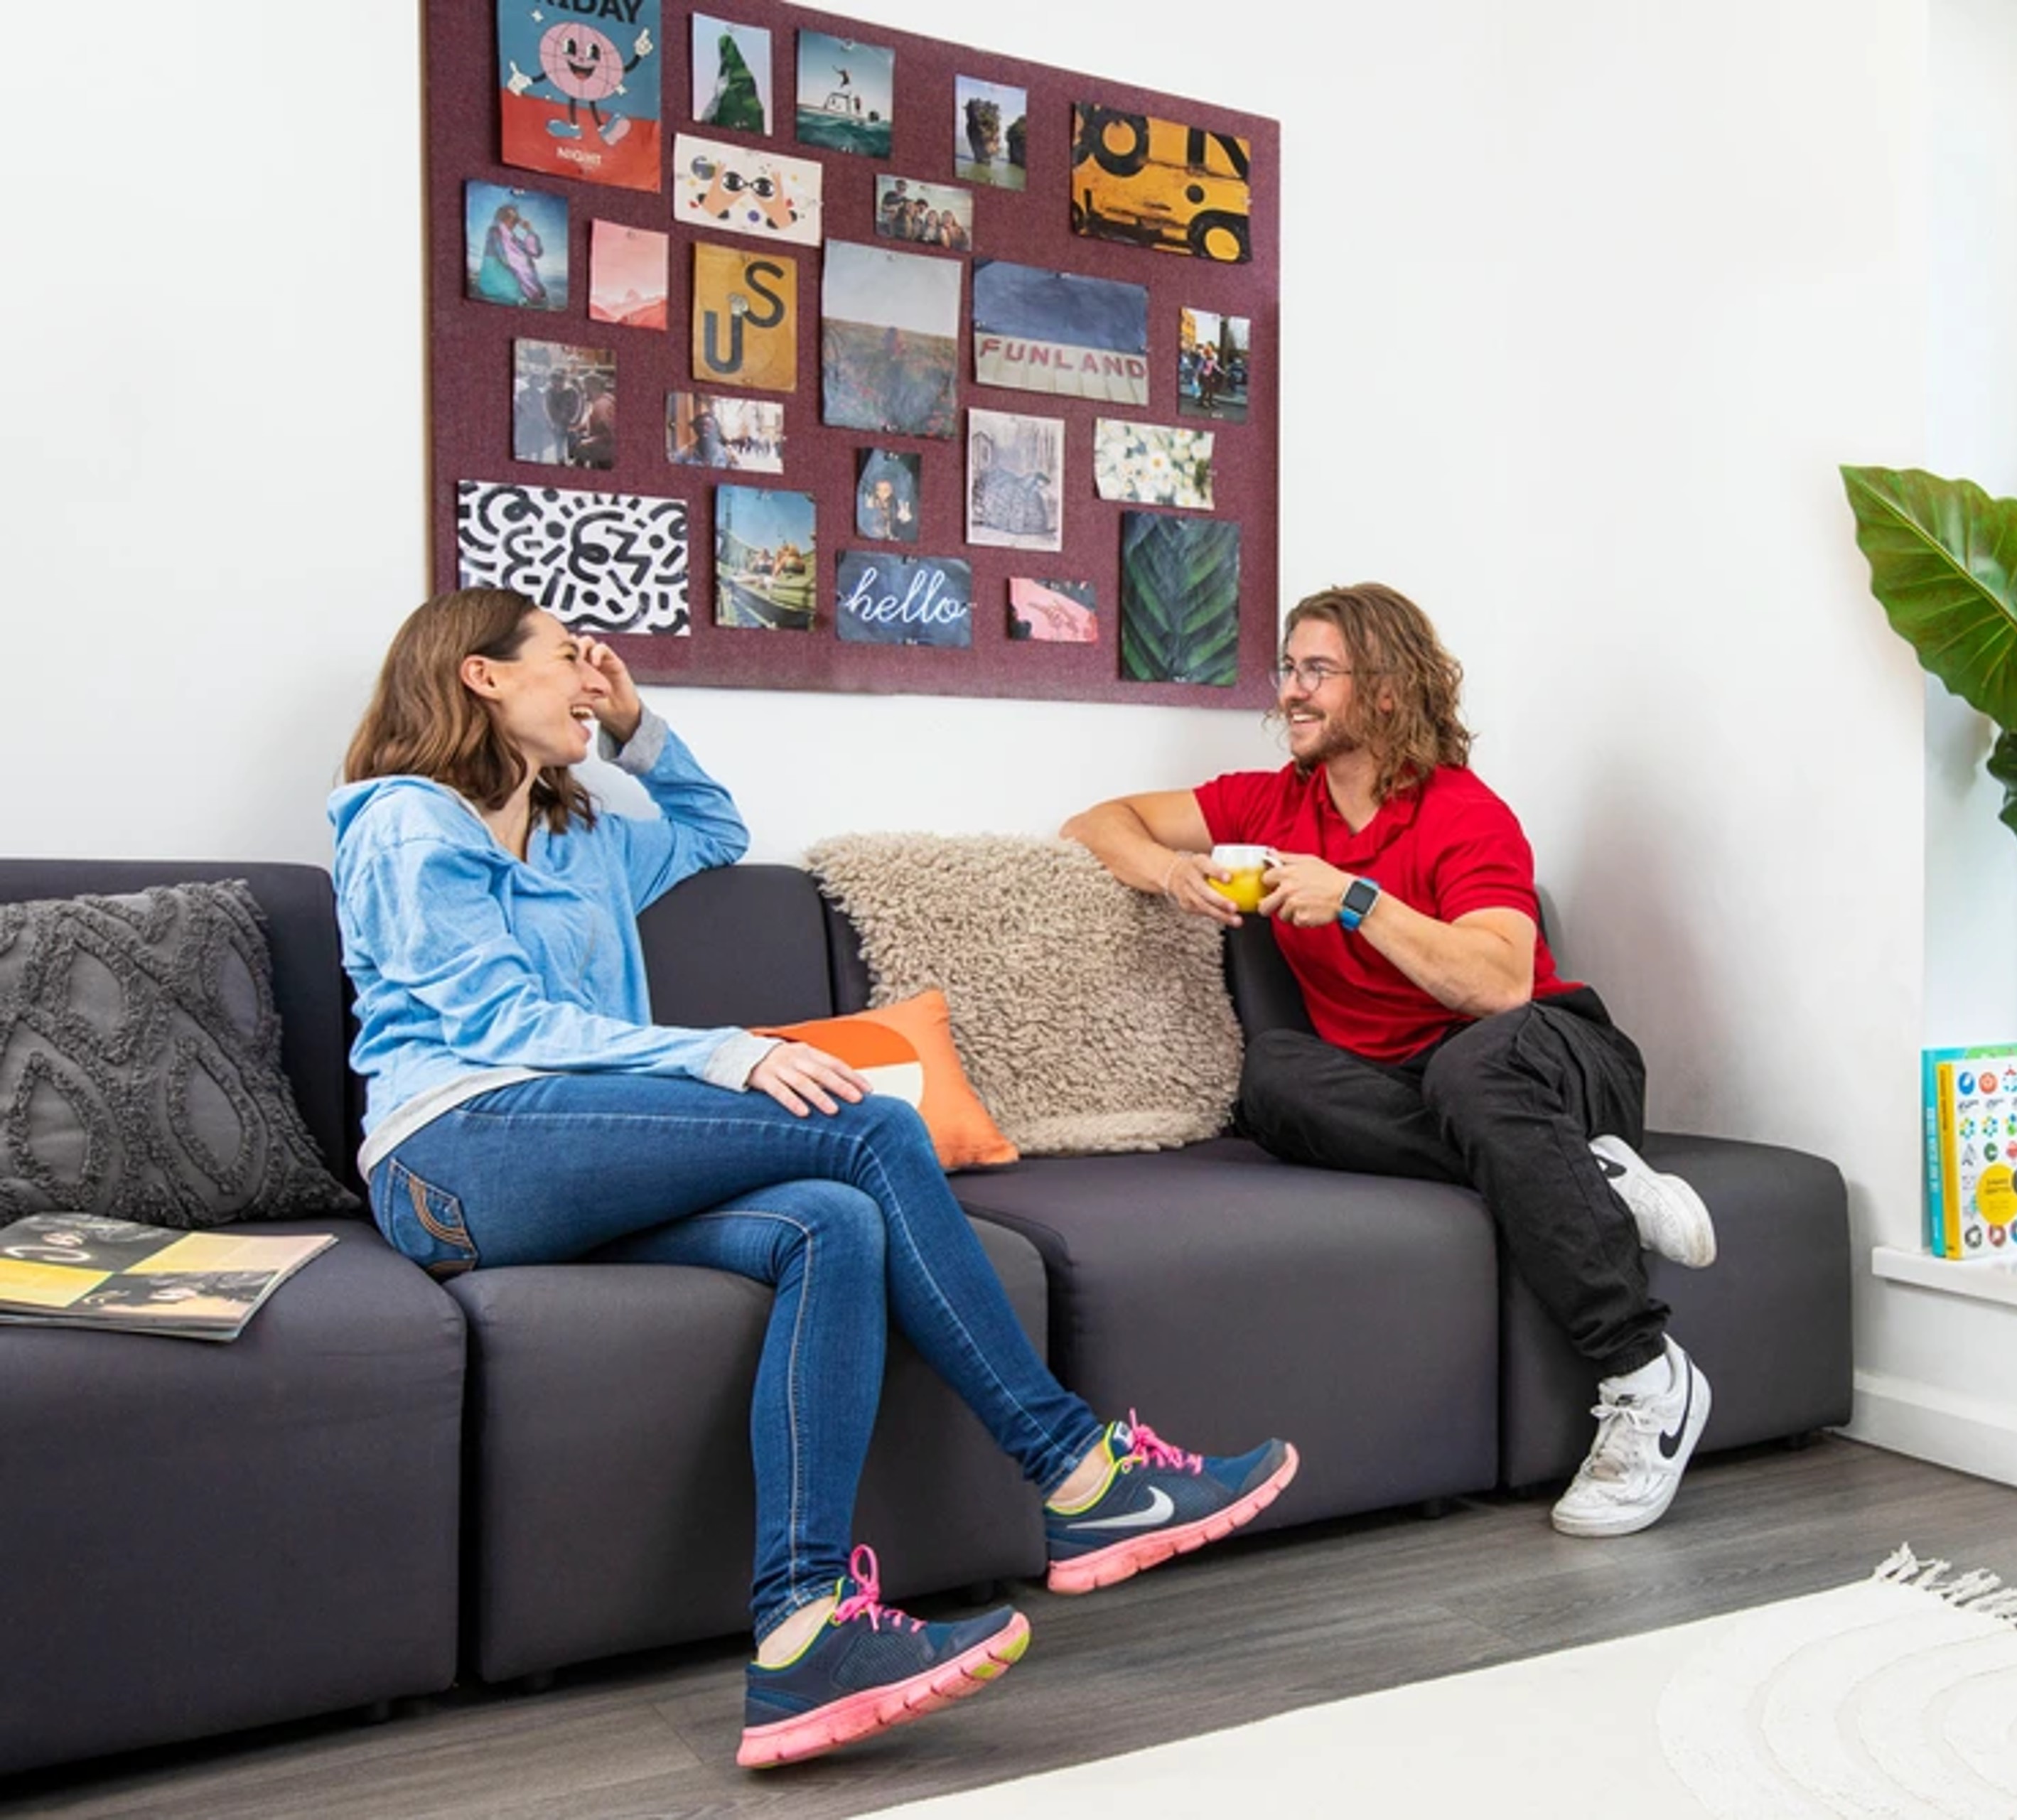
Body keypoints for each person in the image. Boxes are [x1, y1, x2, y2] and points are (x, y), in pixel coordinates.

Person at [332, 589, 1297, 1770]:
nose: (589, 680)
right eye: (567, 664)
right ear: (481, 678)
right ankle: (1076, 1471)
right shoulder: (407, 822)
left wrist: (635, 721)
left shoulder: (582, 838)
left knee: (831, 1226)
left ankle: (801, 1636)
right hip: (457, 1152)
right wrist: (726, 1051)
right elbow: (493, 1021)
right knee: (870, 1129)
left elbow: (711, 826)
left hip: (578, 1159)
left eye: (598, 671)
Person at [1063, 583, 1718, 1541]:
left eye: (1317, 671)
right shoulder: (1271, 802)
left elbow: (1498, 984)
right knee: (1277, 1076)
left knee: (1468, 1071)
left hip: (1548, 1052)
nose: (1291, 690)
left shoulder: (1464, 813)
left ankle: (1644, 1372)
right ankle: (1593, 1177)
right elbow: (1100, 820)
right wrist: (1172, 874)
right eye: (1288, 668)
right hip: (1414, 1087)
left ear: (1385, 690)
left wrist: (1360, 901)